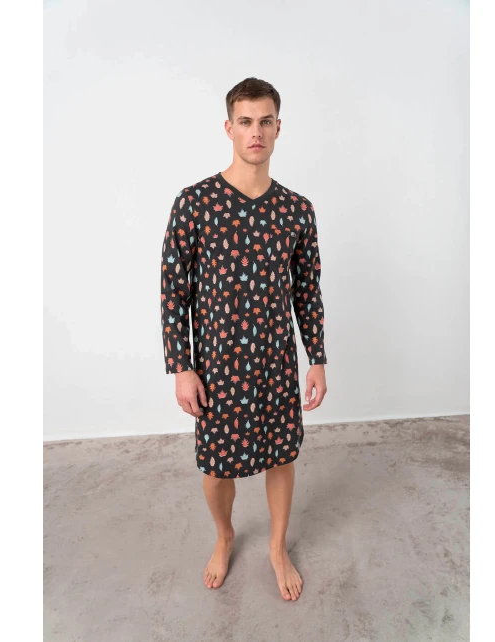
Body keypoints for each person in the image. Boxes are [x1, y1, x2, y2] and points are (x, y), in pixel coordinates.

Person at [159, 77, 328, 601]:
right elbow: (173, 290)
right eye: (246, 121)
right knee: (216, 468)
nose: (257, 132)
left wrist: (317, 359)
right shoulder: (195, 203)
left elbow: (307, 289)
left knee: (281, 457)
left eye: (266, 121)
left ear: (279, 128)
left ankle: (277, 547)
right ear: (229, 128)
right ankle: (225, 535)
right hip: (217, 367)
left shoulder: (297, 210)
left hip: (275, 363)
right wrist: (182, 367)